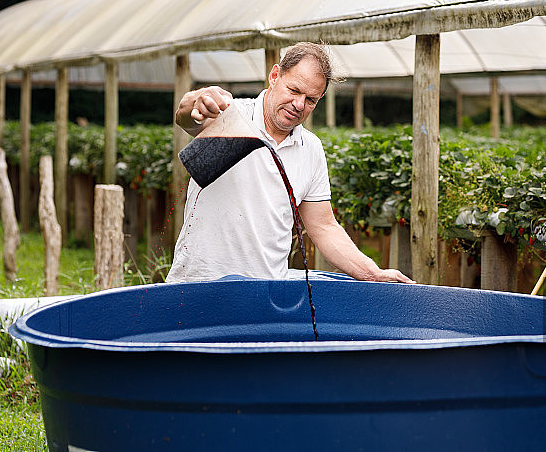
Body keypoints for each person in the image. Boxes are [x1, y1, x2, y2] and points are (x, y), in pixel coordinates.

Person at [166, 42, 414, 284]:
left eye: (311, 100)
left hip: (267, 290)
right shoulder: (229, 117)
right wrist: (198, 100)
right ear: (275, 76)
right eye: (294, 90)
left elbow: (323, 226)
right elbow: (185, 116)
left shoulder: (311, 149)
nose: (299, 105)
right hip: (200, 283)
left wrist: (372, 273)